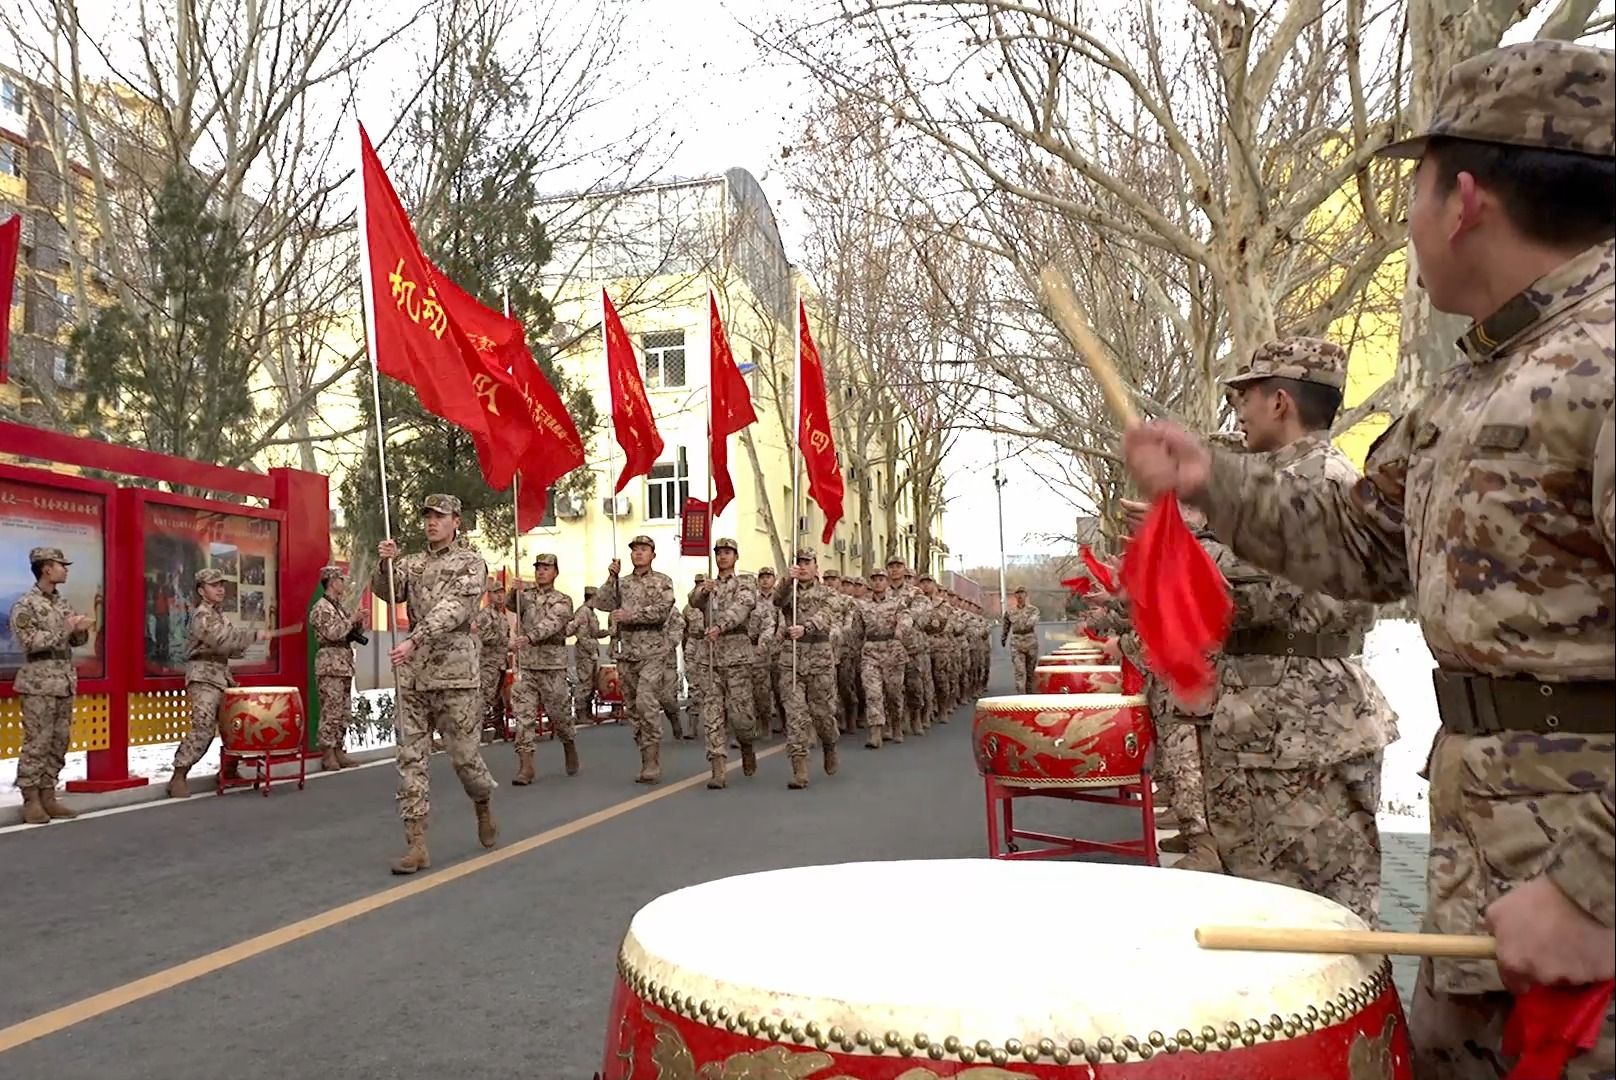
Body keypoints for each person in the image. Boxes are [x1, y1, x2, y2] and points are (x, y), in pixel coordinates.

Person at [1123, 40, 1615, 1079]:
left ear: (1465, 196)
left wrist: (1591, 884)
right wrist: (1205, 478)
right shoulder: (1489, 376)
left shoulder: (1599, 364)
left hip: (1583, 906)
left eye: (1414, 185)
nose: (1406, 219)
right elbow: (1355, 544)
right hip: (1488, 877)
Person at [373, 494, 498, 874]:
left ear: (456, 521)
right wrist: (385, 563)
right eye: (427, 516)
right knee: (410, 757)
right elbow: (387, 590)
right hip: (414, 673)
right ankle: (417, 844)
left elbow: (454, 609)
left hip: (455, 671)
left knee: (464, 758)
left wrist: (415, 638)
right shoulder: (411, 563)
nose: (432, 522)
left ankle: (482, 801)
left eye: (440, 516)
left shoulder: (471, 563)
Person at [10, 546, 94, 823]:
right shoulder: (26, 605)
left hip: (63, 681)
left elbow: (73, 642)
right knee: (37, 743)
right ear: (46, 568)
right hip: (39, 683)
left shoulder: (62, 603)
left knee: (59, 742)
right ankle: (30, 798)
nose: (65, 570)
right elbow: (29, 642)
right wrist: (66, 629)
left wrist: (81, 630)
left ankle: (49, 794)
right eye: (61, 565)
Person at [168, 567, 266, 798]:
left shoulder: (218, 615)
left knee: (235, 725)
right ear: (202, 591)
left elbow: (232, 649)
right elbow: (222, 641)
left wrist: (246, 641)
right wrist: (250, 636)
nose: (220, 589)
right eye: (214, 585)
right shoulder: (202, 616)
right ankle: (179, 775)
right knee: (203, 728)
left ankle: (229, 770)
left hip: (221, 675)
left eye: (221, 585)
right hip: (203, 676)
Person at [595, 535, 676, 783]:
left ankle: (652, 761)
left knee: (645, 701)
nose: (638, 553)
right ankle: (644, 755)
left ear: (653, 554)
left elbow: (663, 610)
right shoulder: (623, 583)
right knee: (632, 707)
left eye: (643, 549)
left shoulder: (662, 581)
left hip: (652, 650)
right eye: (635, 550)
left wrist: (633, 614)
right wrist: (611, 577)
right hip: (627, 650)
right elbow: (601, 602)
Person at [689, 538, 760, 788]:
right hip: (710, 658)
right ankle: (717, 767)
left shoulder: (746, 583)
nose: (722, 557)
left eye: (727, 553)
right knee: (712, 714)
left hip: (737, 656)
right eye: (719, 553)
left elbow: (742, 608)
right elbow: (693, 601)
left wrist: (720, 626)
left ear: (736, 557)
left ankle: (747, 745)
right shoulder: (709, 585)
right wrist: (702, 591)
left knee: (741, 716)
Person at [774, 547, 840, 789]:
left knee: (822, 714)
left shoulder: (828, 593)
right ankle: (799, 769)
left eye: (806, 562)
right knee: (795, 717)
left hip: (819, 657)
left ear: (815, 566)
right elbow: (775, 601)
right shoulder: (789, 591)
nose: (802, 566)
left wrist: (807, 627)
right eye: (799, 562)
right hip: (792, 659)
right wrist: (785, 580)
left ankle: (830, 743)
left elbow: (828, 615)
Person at [509, 554, 577, 783]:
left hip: (552, 665)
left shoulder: (563, 600)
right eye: (538, 567)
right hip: (527, 665)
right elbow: (511, 605)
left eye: (546, 568)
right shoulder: (526, 597)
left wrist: (529, 637)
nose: (541, 572)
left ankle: (568, 742)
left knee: (559, 714)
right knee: (523, 716)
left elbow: (552, 624)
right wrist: (514, 591)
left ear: (555, 572)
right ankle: (525, 766)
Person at [309, 564, 363, 772]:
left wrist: (358, 623)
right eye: (341, 580)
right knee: (331, 710)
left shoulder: (339, 607)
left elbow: (349, 633)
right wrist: (351, 620)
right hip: (330, 663)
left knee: (343, 710)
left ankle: (340, 747)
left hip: (344, 662)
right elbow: (333, 633)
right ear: (332, 582)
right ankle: (328, 752)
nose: (344, 583)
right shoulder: (322, 608)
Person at [856, 570, 910, 749]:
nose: (878, 583)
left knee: (893, 693)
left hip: (892, 651)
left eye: (881, 579)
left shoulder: (897, 603)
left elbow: (906, 619)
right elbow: (856, 630)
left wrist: (900, 630)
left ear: (887, 582)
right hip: (871, 651)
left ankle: (895, 724)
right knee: (873, 693)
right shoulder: (863, 605)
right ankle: (875, 732)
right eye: (874, 580)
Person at [474, 575, 510, 743]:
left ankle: (499, 726)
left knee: (498, 698)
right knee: (484, 696)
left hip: (501, 662)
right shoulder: (485, 615)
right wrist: (504, 640)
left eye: (502, 593)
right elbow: (484, 636)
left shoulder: (503, 617)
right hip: (488, 662)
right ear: (490, 595)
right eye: (496, 593)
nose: (500, 596)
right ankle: (477, 729)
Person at [749, 567, 780, 737]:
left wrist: (772, 642)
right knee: (749, 689)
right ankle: (750, 726)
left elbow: (780, 623)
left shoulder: (779, 598)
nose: (765, 580)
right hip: (750, 648)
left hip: (774, 646)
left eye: (768, 577)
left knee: (773, 688)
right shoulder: (752, 599)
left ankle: (770, 720)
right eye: (762, 577)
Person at [569, 586, 605, 724]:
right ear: (592, 598)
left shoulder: (591, 612)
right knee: (585, 682)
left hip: (591, 651)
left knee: (591, 682)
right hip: (585, 652)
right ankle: (580, 712)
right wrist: (592, 651)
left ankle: (588, 711)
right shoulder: (583, 612)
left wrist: (607, 632)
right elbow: (582, 635)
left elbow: (594, 633)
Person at [1001, 586, 1040, 693]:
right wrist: (1003, 638)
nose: (1020, 596)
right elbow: (1006, 626)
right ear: (1015, 596)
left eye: (1022, 593)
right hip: (1016, 642)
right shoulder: (1010, 612)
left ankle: (1030, 696)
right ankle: (1021, 696)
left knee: (1030, 672)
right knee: (1019, 672)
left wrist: (1025, 623)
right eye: (1017, 594)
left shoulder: (1033, 610)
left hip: (1030, 641)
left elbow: (1032, 622)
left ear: (1026, 595)